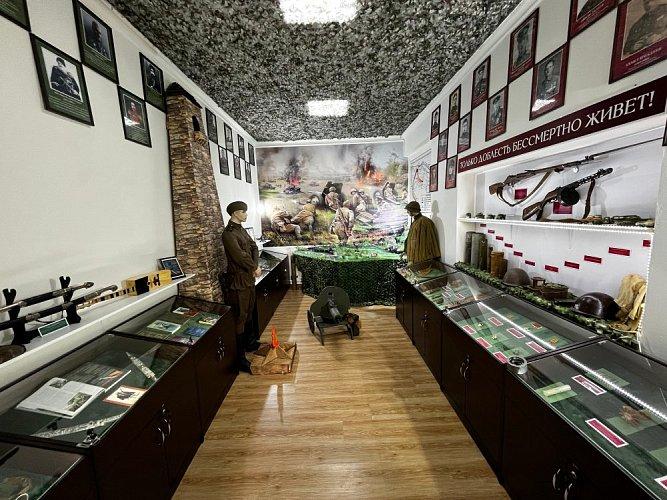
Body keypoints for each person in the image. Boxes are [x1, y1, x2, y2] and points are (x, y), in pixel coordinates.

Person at [222, 201, 262, 373]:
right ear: (235, 213)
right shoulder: (228, 234)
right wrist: (253, 267)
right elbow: (239, 256)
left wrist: (255, 266)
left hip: (248, 278)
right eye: (243, 212)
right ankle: (240, 358)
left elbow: (253, 247)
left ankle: (250, 343)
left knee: (249, 311)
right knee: (240, 316)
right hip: (238, 281)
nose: (246, 214)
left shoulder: (241, 230)